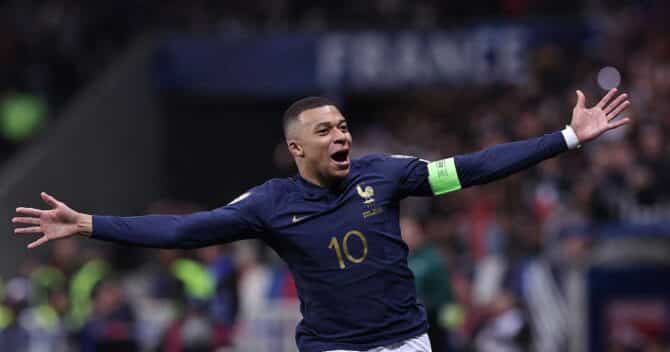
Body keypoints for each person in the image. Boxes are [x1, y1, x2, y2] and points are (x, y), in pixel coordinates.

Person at [12, 89, 631, 352]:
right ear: (298, 149)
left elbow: (473, 167)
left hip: (403, 345)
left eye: (343, 126)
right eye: (324, 131)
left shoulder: (388, 175)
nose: (341, 135)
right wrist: (90, 223)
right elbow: (183, 231)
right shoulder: (268, 205)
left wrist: (569, 136)